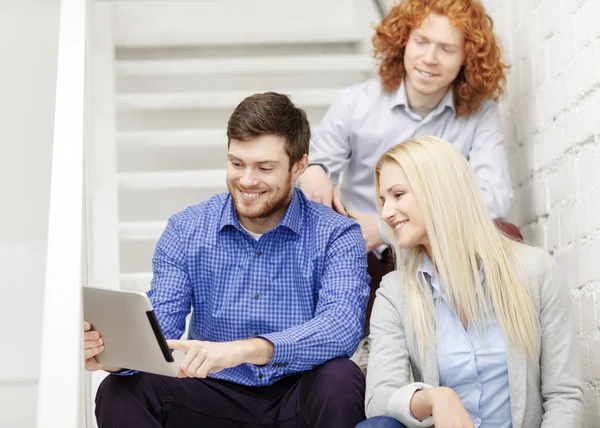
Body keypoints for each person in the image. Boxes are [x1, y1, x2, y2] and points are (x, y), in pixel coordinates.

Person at [84, 92, 371, 428]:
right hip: (212, 396)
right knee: (120, 390)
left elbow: (340, 328)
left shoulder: (337, 234)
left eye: (264, 167)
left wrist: (247, 349)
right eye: (237, 164)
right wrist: (116, 355)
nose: (247, 180)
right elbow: (162, 329)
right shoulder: (186, 229)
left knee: (341, 377)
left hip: (299, 395)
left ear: (299, 167)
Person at [299, 0, 519, 366]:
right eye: (421, 42)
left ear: (468, 57)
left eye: (446, 48)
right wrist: (314, 170)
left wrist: (387, 227)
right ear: (403, 41)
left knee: (504, 232)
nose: (429, 58)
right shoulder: (357, 102)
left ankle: (480, 357)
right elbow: (313, 163)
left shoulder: (479, 113)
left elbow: (493, 199)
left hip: (435, 250)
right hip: (359, 252)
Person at [358, 136, 583, 428]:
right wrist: (436, 398)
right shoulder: (394, 292)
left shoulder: (536, 272)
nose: (386, 213)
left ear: (439, 190)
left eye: (398, 195)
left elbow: (564, 395)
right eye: (382, 201)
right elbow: (378, 396)